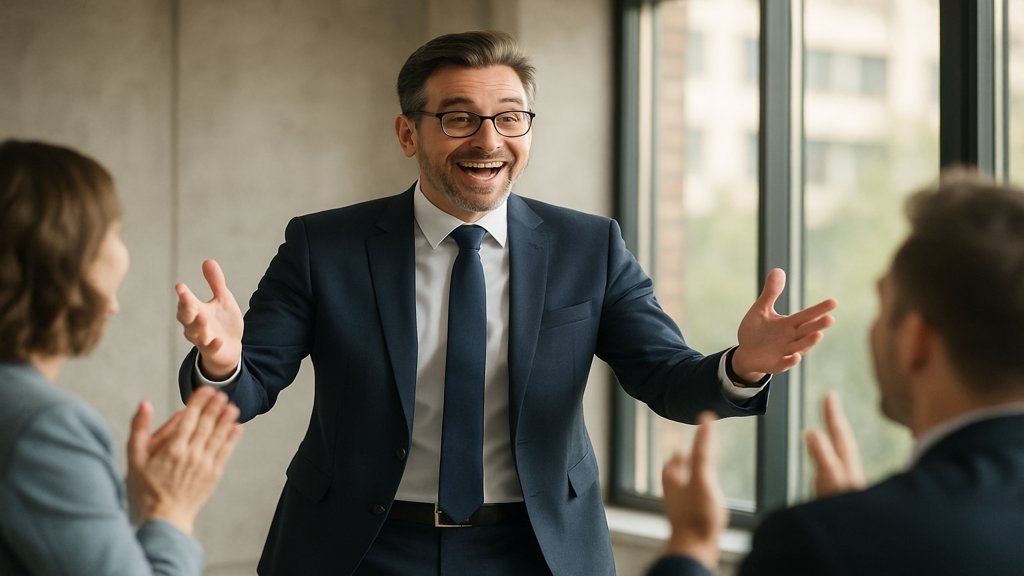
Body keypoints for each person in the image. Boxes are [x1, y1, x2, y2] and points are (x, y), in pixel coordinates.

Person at [174, 30, 836, 575]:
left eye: (510, 117)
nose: (488, 140)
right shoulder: (326, 245)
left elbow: (665, 377)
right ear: (409, 134)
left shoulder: (589, 246)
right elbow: (246, 388)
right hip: (358, 548)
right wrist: (223, 361)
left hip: (537, 550)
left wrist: (743, 366)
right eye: (459, 118)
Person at [650, 167, 1024, 576]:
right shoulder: (857, 537)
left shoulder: (819, 540)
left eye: (883, 306)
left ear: (916, 340)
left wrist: (690, 544)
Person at [0, 139, 244, 575]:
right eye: (113, 232)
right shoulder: (46, 429)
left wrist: (122, 503)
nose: (123, 253)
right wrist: (171, 513)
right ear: (66, 257)